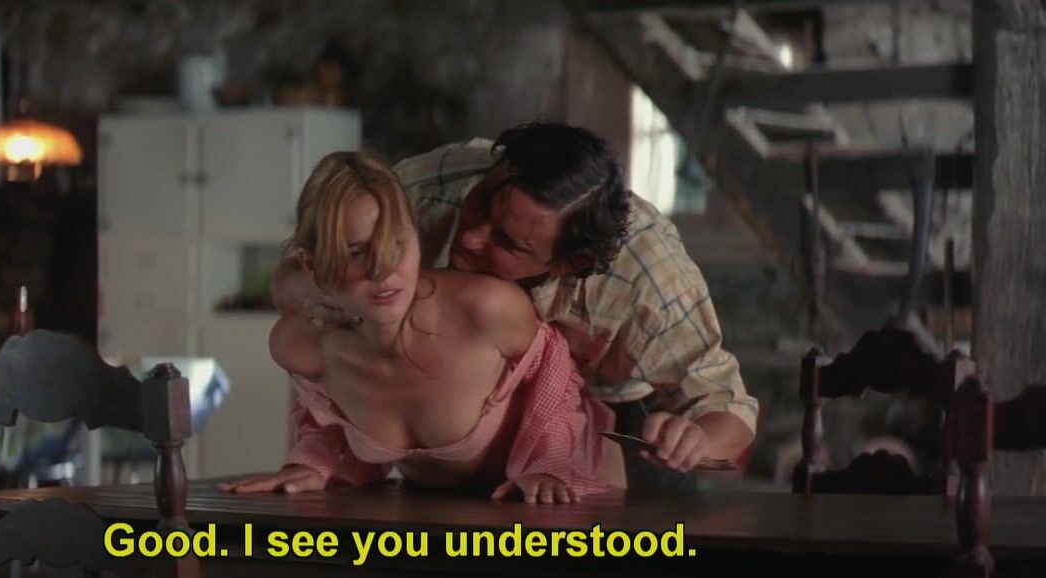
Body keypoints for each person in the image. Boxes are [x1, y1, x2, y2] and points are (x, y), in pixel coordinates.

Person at [273, 123, 758, 489]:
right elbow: (298, 271)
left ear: (569, 264)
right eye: (482, 203)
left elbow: (726, 404)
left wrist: (693, 438)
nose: (470, 236)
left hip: (618, 429)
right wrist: (326, 293)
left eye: (506, 242)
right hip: (457, 446)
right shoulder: (429, 186)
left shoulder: (648, 278)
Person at [219, 151, 623, 503]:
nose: (383, 270)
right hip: (448, 513)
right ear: (311, 265)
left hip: (573, 494)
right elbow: (325, 415)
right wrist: (312, 463)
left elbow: (555, 366)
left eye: (396, 244)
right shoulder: (300, 347)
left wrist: (548, 464)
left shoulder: (483, 308)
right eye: (356, 252)